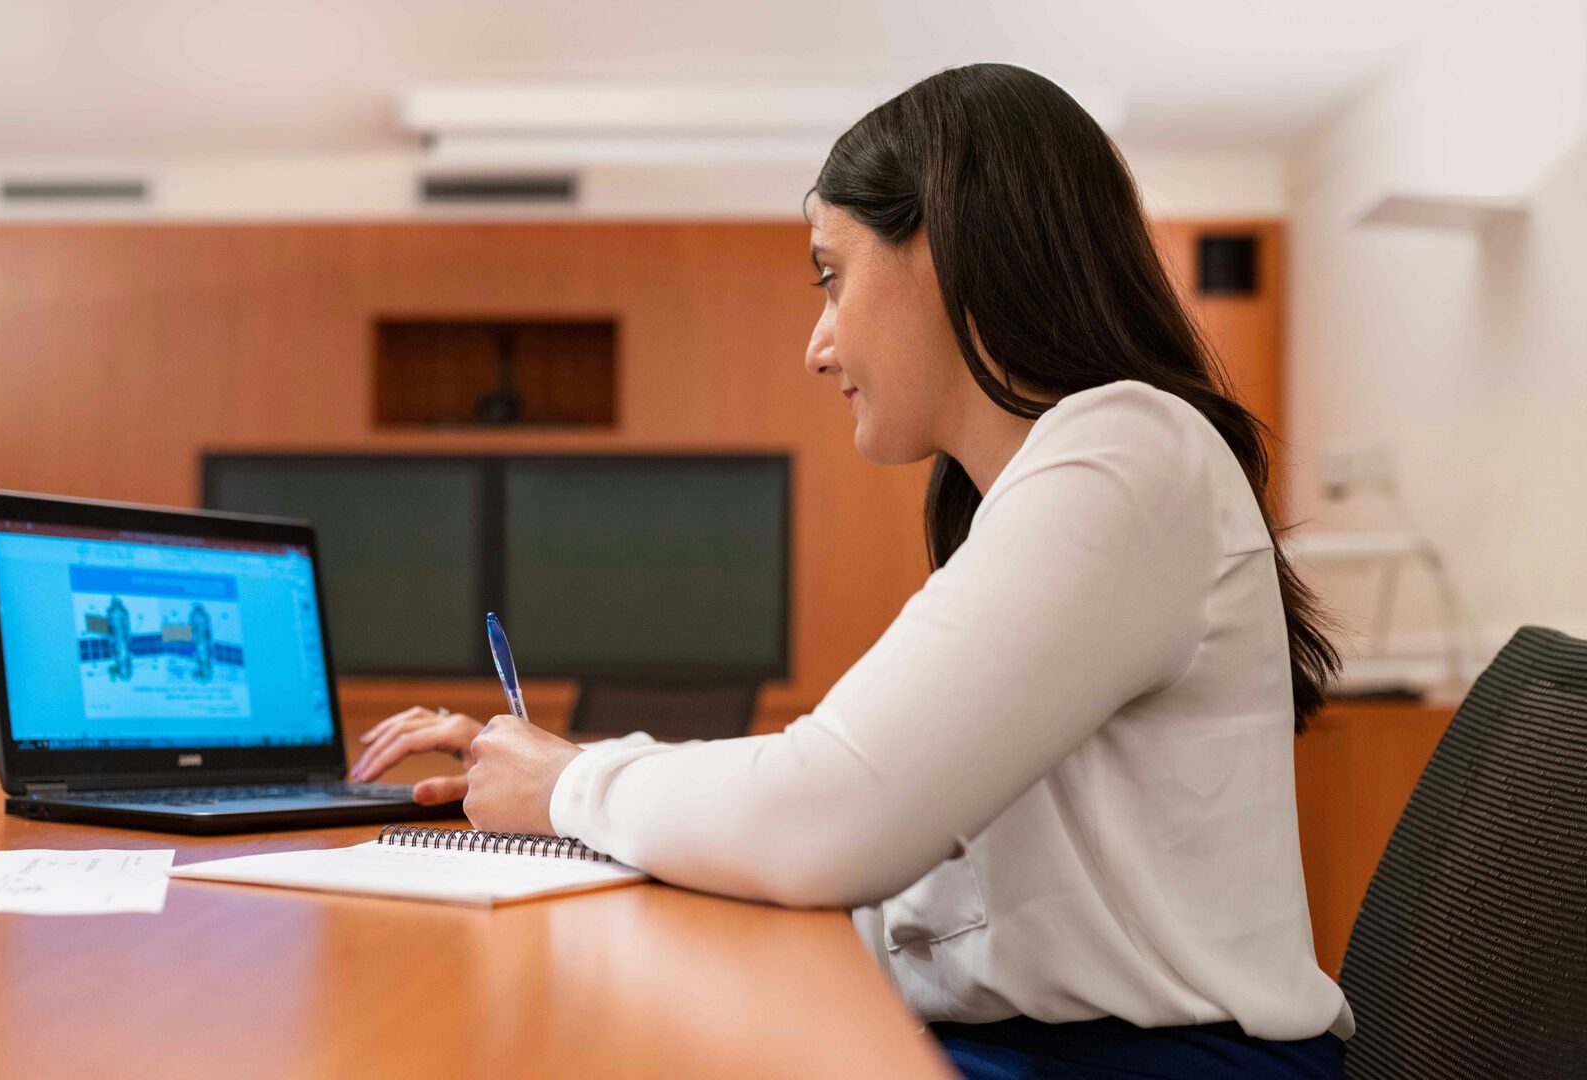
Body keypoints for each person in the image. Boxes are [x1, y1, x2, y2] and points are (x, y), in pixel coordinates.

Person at [348, 63, 1352, 1079]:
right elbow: (842, 797)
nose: (817, 345)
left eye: (832, 275)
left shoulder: (1129, 453)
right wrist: (570, 786)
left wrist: (572, 786)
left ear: (946, 252)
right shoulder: (1072, 480)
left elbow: (833, 810)